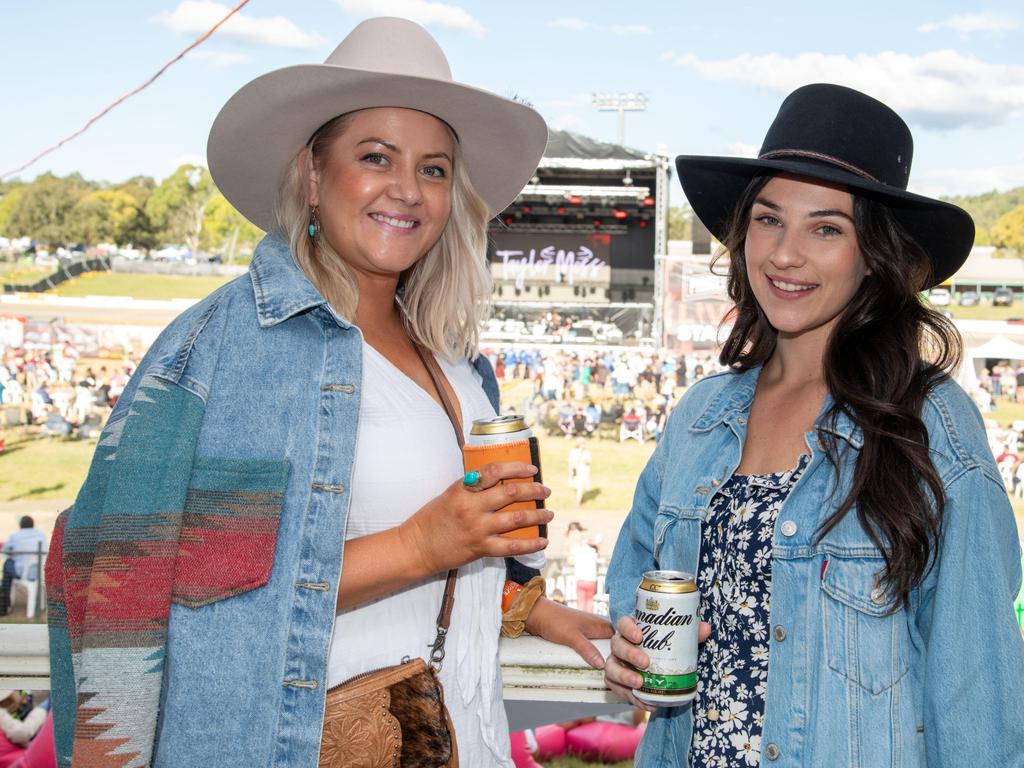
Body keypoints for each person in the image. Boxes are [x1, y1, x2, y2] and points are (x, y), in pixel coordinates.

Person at [46, 18, 611, 768]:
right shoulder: (218, 349)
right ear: (313, 176)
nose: (407, 189)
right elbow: (138, 583)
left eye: (434, 168)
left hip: (465, 742)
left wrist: (533, 609)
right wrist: (420, 544)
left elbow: (449, 553)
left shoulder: (460, 364)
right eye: (376, 157)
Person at [604, 83, 1024, 766]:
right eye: (769, 220)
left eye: (826, 228)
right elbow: (637, 577)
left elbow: (976, 698)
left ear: (875, 255)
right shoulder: (700, 418)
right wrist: (628, 642)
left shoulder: (931, 426)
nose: (783, 254)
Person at [0, 517, 47, 616]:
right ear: (33, 524)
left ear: (20, 525)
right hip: (39, 572)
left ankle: (4, 601)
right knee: (9, 565)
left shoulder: (16, 536)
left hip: (22, 572)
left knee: (7, 564)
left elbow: (4, 550)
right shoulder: (41, 535)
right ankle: (5, 600)